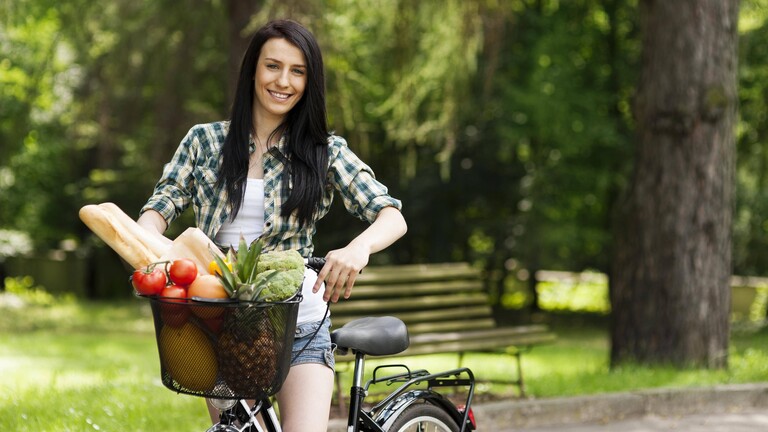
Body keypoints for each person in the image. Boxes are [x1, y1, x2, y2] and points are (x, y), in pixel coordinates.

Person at [136, 19, 407, 432]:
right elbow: (159, 207)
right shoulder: (204, 142)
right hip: (218, 323)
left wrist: (358, 248)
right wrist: (147, 243)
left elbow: (391, 215)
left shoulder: (325, 152)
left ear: (309, 82)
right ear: (253, 71)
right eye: (273, 66)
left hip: (298, 325)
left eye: (297, 71)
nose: (283, 81)